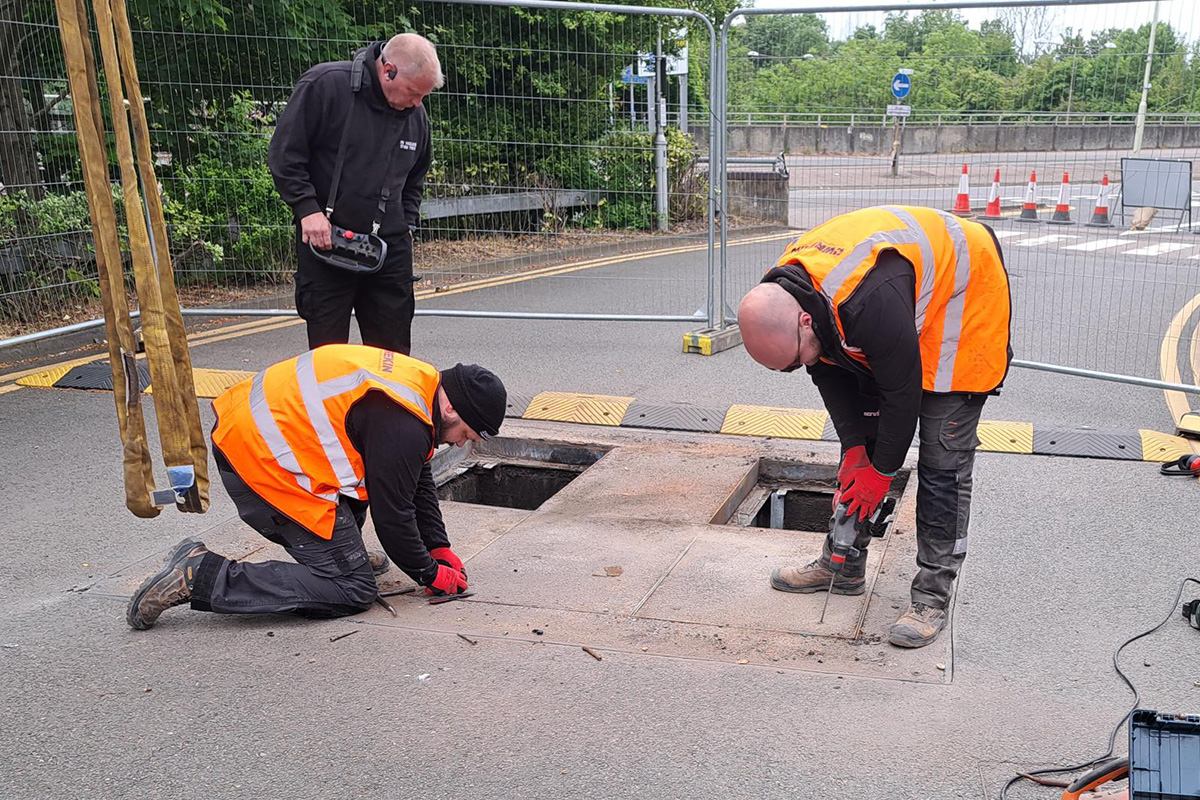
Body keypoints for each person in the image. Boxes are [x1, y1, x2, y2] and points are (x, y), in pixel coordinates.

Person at [738, 205, 1012, 648]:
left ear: (805, 321)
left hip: (962, 298)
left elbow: (901, 397)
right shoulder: (794, 289)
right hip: (897, 303)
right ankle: (842, 566)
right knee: (862, 450)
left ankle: (931, 596)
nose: (801, 367)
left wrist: (882, 474)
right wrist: (855, 448)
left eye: (796, 357)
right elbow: (826, 368)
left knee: (942, 459)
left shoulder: (867, 300)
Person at [127, 345, 507, 629]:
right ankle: (199, 574)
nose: (460, 443)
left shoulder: (419, 386)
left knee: (369, 485)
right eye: (466, 434)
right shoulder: (402, 425)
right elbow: (394, 518)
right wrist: (428, 572)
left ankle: (340, 556)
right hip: (260, 466)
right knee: (352, 588)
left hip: (259, 442)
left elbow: (415, 478)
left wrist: (438, 545)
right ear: (453, 410)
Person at [268, 34, 442, 354]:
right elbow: (285, 155)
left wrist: (408, 223)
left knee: (393, 358)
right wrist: (308, 210)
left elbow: (416, 176)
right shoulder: (325, 85)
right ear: (388, 70)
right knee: (328, 357)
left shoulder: (416, 115)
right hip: (326, 242)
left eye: (424, 96)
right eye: (415, 92)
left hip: (388, 249)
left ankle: (387, 406)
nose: (419, 103)